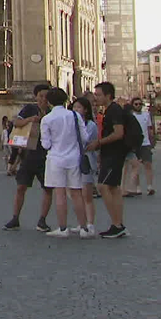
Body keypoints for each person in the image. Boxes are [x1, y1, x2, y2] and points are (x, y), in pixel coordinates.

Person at [40, 88, 92, 239]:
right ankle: (83, 227)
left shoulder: (47, 119)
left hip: (56, 158)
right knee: (76, 193)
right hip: (74, 157)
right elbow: (84, 137)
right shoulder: (75, 115)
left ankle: (63, 227)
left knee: (60, 193)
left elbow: (45, 144)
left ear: (49, 102)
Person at [3, 84, 54, 232]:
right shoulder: (29, 109)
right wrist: (30, 119)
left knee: (47, 188)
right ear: (36, 97)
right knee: (21, 187)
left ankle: (42, 220)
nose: (43, 99)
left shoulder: (51, 112)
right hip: (28, 154)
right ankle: (15, 218)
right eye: (41, 96)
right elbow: (16, 123)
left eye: (46, 96)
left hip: (45, 155)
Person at [87, 81, 129, 238]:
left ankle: (116, 224)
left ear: (108, 95)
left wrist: (98, 143)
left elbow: (118, 133)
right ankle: (118, 223)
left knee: (103, 186)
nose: (95, 97)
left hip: (114, 153)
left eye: (98, 95)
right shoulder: (109, 110)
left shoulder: (114, 111)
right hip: (110, 153)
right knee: (113, 188)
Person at [72, 97, 99, 233]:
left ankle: (90, 223)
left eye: (79, 107)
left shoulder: (90, 125)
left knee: (86, 194)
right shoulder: (71, 122)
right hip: (73, 161)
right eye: (74, 107)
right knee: (77, 194)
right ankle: (81, 222)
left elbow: (87, 142)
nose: (76, 110)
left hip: (86, 161)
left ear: (85, 110)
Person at [124, 97, 155, 197]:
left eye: (140, 104)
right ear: (132, 105)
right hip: (135, 144)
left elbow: (149, 129)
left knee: (148, 164)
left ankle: (150, 186)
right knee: (135, 165)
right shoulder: (130, 116)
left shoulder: (146, 115)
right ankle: (137, 187)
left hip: (145, 143)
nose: (138, 106)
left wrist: (151, 141)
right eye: (136, 104)